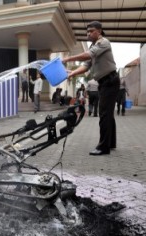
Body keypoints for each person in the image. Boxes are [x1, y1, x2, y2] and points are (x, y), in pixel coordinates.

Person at [62, 21, 120, 156]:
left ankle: (103, 147)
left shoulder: (103, 42)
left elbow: (88, 55)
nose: (88, 34)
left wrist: (68, 58)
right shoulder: (94, 46)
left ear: (99, 31)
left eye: (92, 31)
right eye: (87, 31)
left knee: (104, 114)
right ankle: (110, 143)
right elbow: (86, 65)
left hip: (110, 81)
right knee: (108, 113)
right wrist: (72, 73)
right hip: (105, 82)